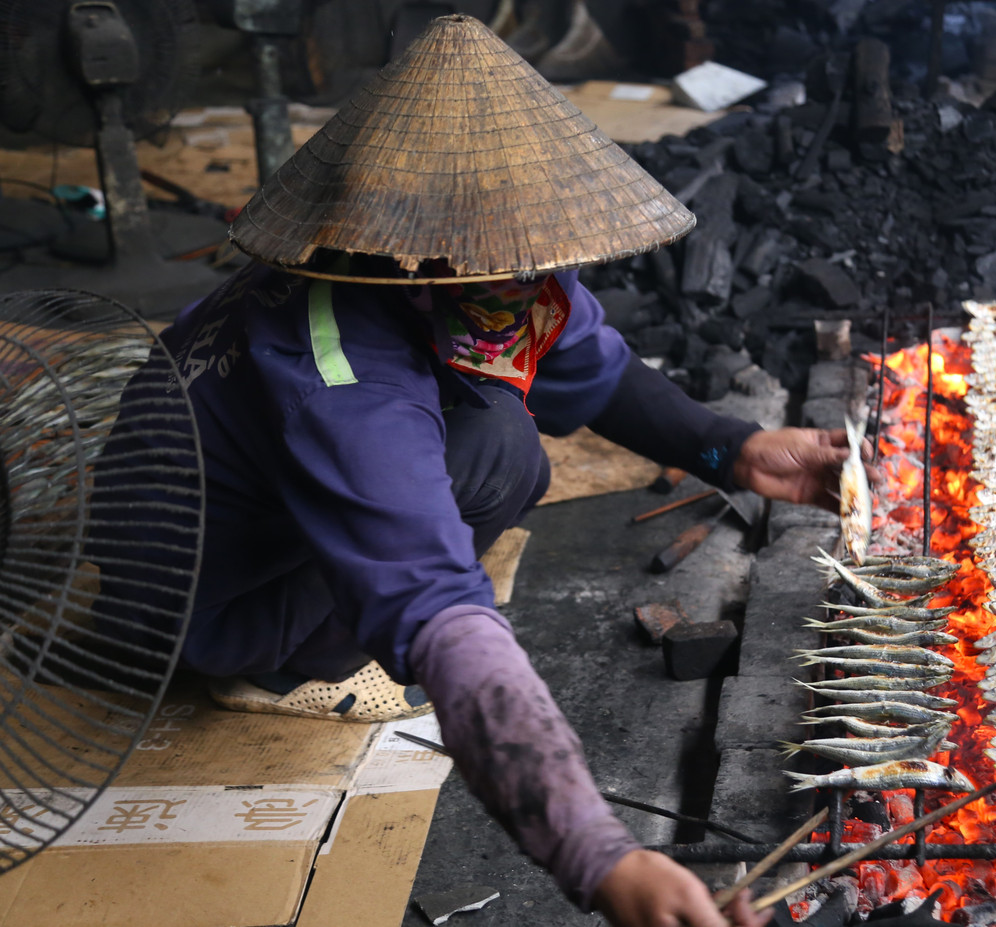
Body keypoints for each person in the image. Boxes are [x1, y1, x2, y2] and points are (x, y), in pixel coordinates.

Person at [95, 15, 863, 927]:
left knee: (496, 424)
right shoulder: (345, 384)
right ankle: (278, 665)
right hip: (200, 595)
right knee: (500, 454)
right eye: (515, 277)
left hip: (255, 504)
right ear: (421, 258)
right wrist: (600, 855)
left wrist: (730, 449)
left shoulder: (477, 273)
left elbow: (594, 365)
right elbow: (441, 609)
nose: (544, 294)